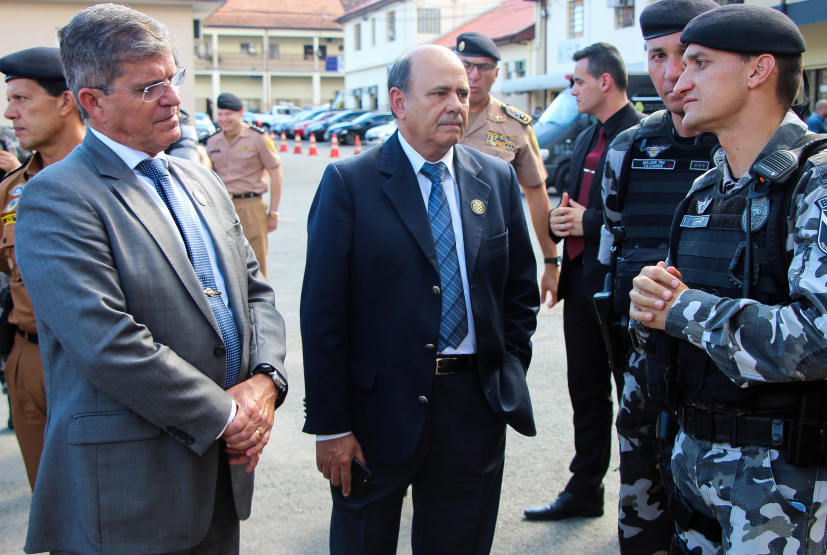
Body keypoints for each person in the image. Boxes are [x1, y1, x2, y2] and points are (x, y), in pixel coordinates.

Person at [628, 4, 827, 553]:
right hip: (696, 465)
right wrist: (650, 303)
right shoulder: (709, 190)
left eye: (699, 63)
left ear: (758, 71)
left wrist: (681, 309)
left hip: (782, 485)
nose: (678, 82)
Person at [15, 5, 287, 553]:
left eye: (173, 79)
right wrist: (229, 416)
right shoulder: (59, 195)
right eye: (148, 88)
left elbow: (255, 292)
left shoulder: (198, 180)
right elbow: (106, 342)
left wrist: (265, 382)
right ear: (91, 102)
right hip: (128, 491)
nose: (173, 99)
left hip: (218, 477)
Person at [301, 44, 539, 554]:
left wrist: (505, 368)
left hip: (473, 406)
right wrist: (331, 425)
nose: (458, 102)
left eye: (461, 91)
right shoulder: (350, 183)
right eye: (439, 93)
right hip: (375, 413)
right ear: (399, 102)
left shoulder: (494, 178)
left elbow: (519, 290)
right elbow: (323, 314)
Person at [595, 0, 720, 550]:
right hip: (645, 379)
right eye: (657, 55)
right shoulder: (630, 148)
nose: (672, 74)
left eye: (688, 56)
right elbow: (611, 254)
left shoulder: (746, 148)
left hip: (727, 388)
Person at [524, 42, 645, 521]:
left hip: (622, 290)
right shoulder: (585, 137)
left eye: (577, 81)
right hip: (580, 284)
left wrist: (588, 222)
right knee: (586, 392)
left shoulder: (642, 135)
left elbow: (651, 218)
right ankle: (586, 487)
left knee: (633, 396)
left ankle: (643, 498)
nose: (571, 89)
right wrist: (557, 234)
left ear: (605, 81)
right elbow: (572, 202)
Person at [0, 46, 86, 490]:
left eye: (21, 99)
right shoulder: (13, 191)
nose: (10, 113)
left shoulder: (116, 179)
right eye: (9, 99)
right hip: (27, 360)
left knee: (104, 502)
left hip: (88, 360)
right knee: (50, 500)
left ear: (66, 100)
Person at [455, 32, 559, 306]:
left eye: (484, 67)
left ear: (496, 73)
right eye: (466, 65)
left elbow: (537, 196)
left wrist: (550, 261)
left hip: (492, 254)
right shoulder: (434, 114)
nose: (473, 75)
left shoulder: (515, 125)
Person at [207, 92, 283, 278]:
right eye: (221, 114)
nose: (224, 119)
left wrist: (273, 212)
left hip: (251, 207)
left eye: (228, 114)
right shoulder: (212, 141)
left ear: (240, 113)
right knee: (225, 262)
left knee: (256, 265)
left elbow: (276, 173)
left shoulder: (258, 138)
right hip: (222, 207)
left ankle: (261, 306)